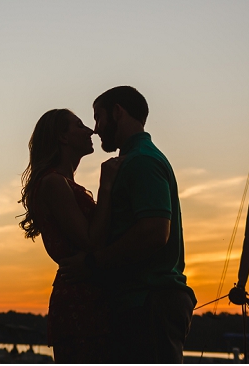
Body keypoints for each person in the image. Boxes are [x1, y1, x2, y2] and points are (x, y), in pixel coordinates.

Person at [81, 86, 196, 363]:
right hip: (142, 301)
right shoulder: (134, 160)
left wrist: (96, 262)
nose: (95, 129)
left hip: (149, 302)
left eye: (98, 117)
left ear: (117, 112)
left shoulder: (141, 161)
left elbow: (155, 231)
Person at [19, 108, 122, 363]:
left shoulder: (61, 182)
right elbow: (90, 240)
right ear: (62, 138)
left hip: (87, 295)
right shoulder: (54, 183)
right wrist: (106, 186)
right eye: (79, 125)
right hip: (81, 303)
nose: (90, 130)